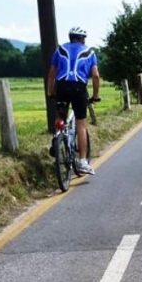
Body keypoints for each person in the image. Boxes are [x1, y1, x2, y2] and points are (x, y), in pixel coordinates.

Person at [47, 26, 100, 175]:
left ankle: (57, 139)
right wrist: (95, 96)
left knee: (60, 115)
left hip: (62, 86)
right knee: (81, 125)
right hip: (79, 88)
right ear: (82, 39)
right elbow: (95, 76)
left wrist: (50, 92)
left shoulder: (60, 50)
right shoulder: (90, 52)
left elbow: (51, 74)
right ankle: (83, 162)